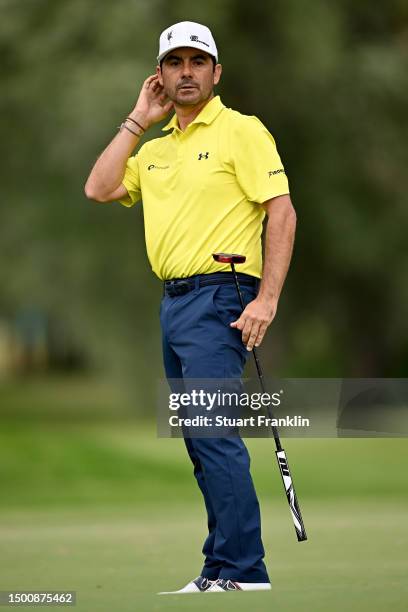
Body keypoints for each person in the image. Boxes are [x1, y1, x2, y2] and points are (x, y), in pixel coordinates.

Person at [85, 21, 296, 594]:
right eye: (173, 63)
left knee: (213, 433)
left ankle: (246, 571)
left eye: (196, 62)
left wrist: (267, 299)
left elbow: (282, 211)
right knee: (200, 441)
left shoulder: (241, 131)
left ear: (215, 72)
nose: (185, 72)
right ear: (159, 76)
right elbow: (99, 188)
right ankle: (219, 567)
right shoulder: (153, 151)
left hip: (221, 296)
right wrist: (137, 119)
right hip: (174, 303)